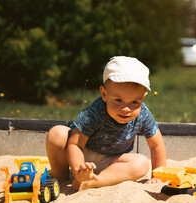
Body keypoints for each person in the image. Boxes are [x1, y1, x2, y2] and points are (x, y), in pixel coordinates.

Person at [46, 56, 166, 191]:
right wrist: (78, 170)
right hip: (83, 153)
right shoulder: (94, 112)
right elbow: (75, 144)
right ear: (104, 94)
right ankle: (63, 180)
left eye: (134, 102)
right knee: (57, 134)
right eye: (118, 100)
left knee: (141, 163)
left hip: (112, 161)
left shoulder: (143, 114)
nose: (126, 108)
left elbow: (157, 145)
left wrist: (157, 175)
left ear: (142, 98)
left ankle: (95, 181)